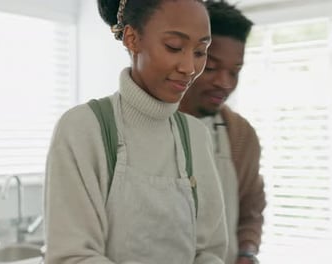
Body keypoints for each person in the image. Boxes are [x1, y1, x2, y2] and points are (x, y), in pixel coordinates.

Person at [44, 0, 229, 263]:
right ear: (132, 39)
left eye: (200, 52)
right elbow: (73, 256)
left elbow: (209, 250)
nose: (189, 67)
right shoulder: (84, 129)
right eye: (174, 47)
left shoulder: (195, 136)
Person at [179, 1, 266, 264]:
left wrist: (246, 252)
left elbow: (251, 208)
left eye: (235, 71)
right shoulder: (144, 128)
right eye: (213, 67)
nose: (225, 83)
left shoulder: (241, 135)